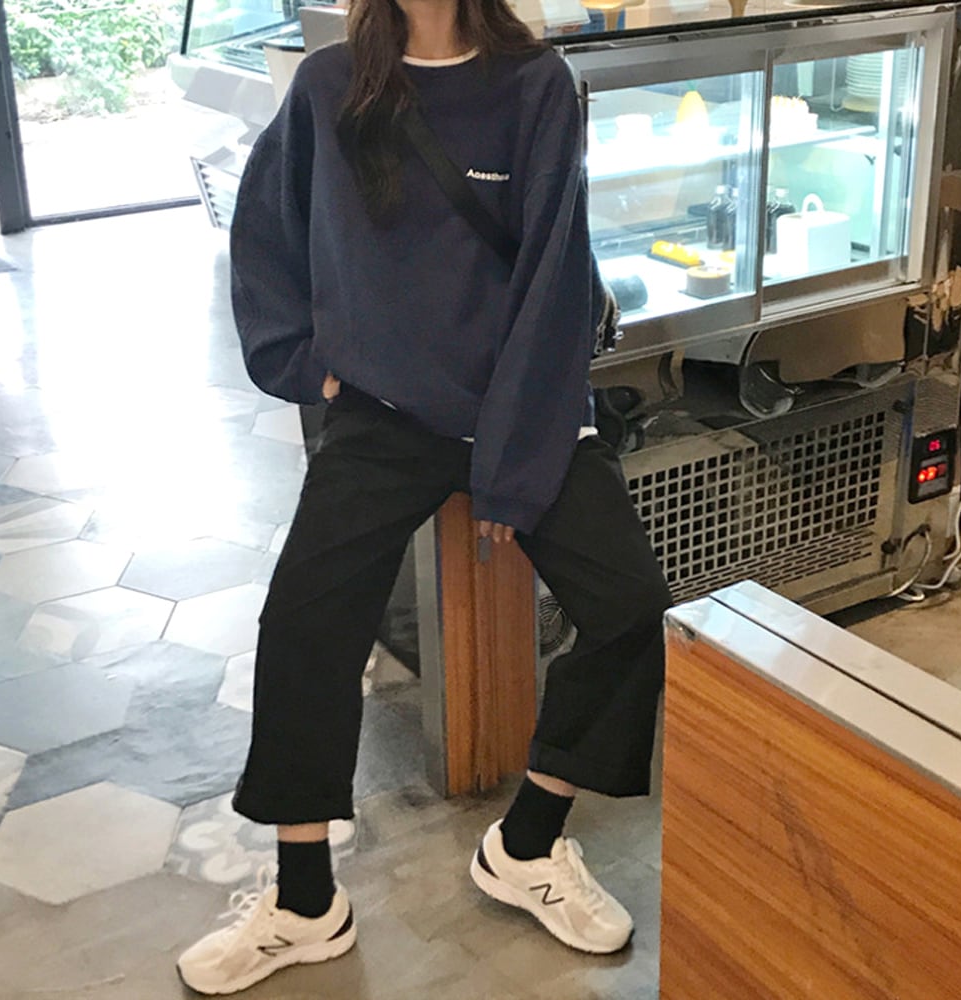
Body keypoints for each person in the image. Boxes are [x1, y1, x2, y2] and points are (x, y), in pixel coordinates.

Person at [176, 0, 671, 992]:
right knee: (305, 622)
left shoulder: (534, 86)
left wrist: (512, 463)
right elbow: (263, 228)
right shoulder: (331, 86)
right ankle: (304, 900)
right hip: (384, 414)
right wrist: (302, 364)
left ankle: (528, 844)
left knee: (629, 606)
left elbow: (553, 279)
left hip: (523, 404)